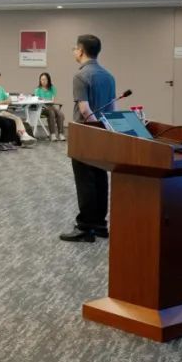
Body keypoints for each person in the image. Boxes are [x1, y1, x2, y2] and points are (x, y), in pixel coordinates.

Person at [60, 34, 116, 243]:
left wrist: (92, 127)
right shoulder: (108, 76)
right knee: (100, 177)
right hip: (104, 133)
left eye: (75, 48)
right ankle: (100, 224)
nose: (74, 51)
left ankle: (86, 227)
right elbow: (113, 108)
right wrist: (104, 128)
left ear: (81, 51)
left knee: (85, 181)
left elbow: (84, 109)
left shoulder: (81, 76)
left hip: (85, 135)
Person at [0, 71, 37, 147]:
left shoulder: (1, 88)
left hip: (2, 111)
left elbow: (9, 99)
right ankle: (22, 136)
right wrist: (3, 102)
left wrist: (2, 102)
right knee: (11, 121)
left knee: (16, 119)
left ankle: (22, 137)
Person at [36, 72, 66, 141]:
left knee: (60, 114)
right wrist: (47, 100)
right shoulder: (37, 90)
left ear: (48, 80)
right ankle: (52, 134)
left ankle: (61, 134)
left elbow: (53, 100)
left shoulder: (52, 88)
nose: (43, 81)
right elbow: (38, 101)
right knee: (51, 112)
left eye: (45, 79)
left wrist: (46, 100)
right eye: (42, 79)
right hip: (42, 108)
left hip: (51, 106)